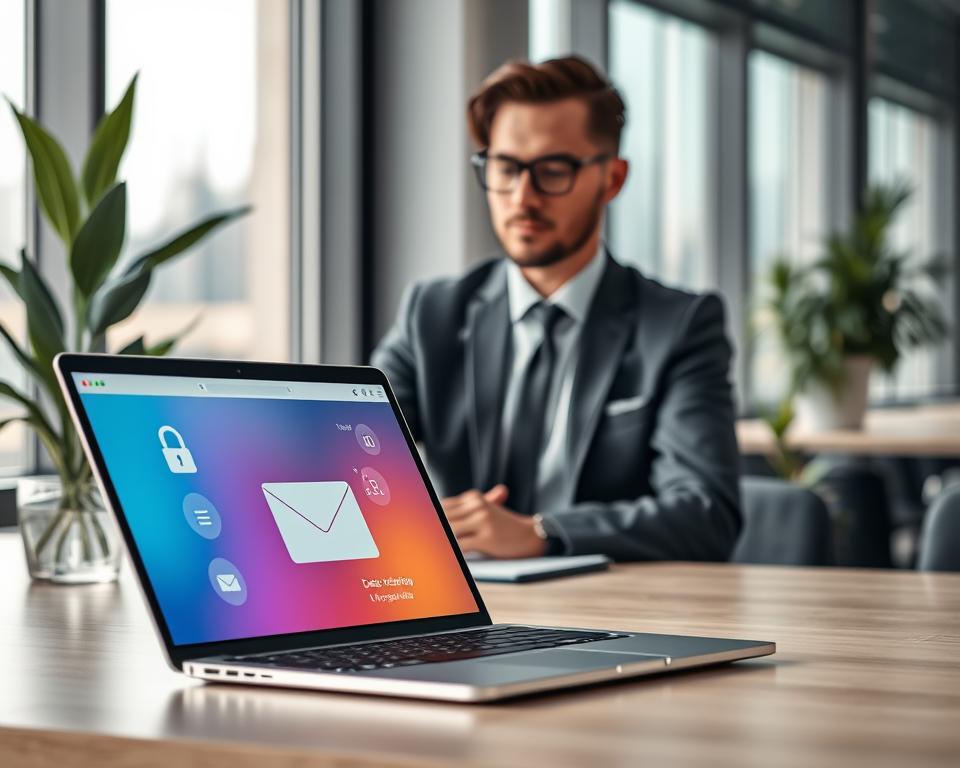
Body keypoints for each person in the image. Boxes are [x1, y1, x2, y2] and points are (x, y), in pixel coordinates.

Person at [372, 56, 741, 561]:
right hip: (461, 592)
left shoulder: (678, 327)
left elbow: (705, 512)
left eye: (552, 171)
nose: (522, 197)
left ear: (612, 179)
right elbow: (351, 448)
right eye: (506, 168)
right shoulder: (432, 314)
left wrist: (542, 533)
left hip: (610, 598)